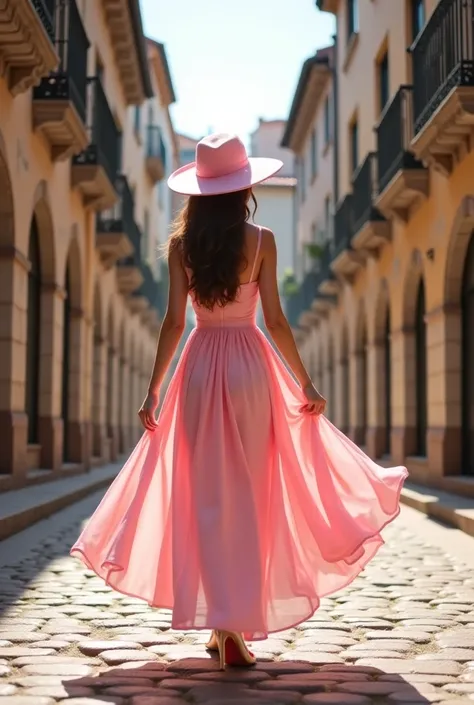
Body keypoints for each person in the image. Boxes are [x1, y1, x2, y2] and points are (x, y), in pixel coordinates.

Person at [71, 133, 408, 671]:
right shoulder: (262, 240)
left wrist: (154, 388)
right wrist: (306, 384)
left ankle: (221, 623)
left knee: (205, 497)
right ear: (243, 188)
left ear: (199, 192)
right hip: (252, 370)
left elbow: (174, 323)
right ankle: (232, 627)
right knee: (251, 496)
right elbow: (274, 320)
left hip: (200, 369)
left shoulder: (182, 247)